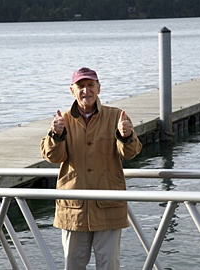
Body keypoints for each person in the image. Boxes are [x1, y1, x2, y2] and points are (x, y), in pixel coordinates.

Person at [40, 67, 142, 270]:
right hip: (73, 209)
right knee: (73, 265)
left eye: (90, 85)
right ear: (72, 90)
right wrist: (55, 135)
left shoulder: (116, 116)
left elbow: (131, 152)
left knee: (109, 266)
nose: (86, 91)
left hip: (109, 206)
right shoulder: (63, 120)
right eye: (81, 86)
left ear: (99, 88)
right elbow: (52, 156)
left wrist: (125, 136)